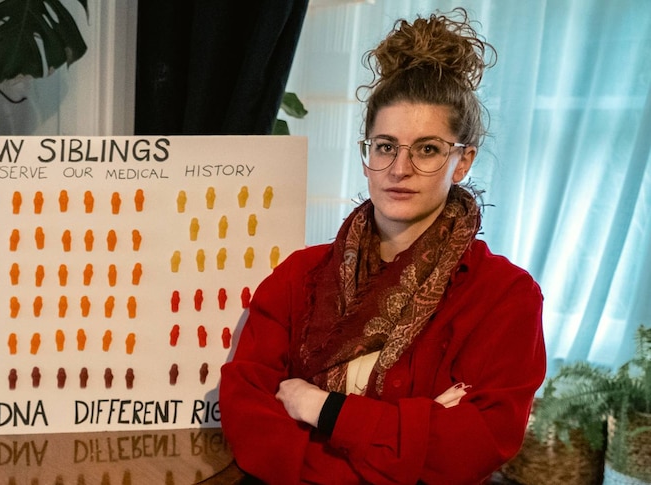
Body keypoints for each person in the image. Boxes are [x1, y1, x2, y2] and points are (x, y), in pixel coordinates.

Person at [219, 8, 546, 485]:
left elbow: (472, 446)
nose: (400, 168)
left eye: (428, 149)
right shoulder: (298, 276)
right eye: (386, 146)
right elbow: (248, 412)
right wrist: (408, 438)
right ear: (367, 153)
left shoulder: (504, 298)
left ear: (462, 162)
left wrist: (320, 408)